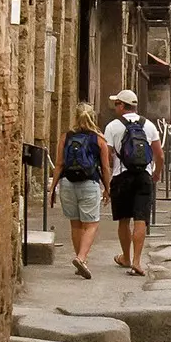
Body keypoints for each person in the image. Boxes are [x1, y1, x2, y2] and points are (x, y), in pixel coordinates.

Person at [49, 102, 111, 279]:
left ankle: (80, 261)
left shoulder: (65, 137)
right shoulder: (99, 139)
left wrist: (53, 188)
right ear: (93, 117)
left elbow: (59, 164)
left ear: (75, 117)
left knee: (75, 224)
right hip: (89, 184)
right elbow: (105, 168)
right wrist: (108, 189)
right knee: (91, 224)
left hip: (67, 183)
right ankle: (81, 258)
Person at [104, 90, 161, 276]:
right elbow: (159, 154)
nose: (115, 108)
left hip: (122, 176)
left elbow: (107, 155)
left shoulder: (113, 126)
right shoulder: (149, 125)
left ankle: (126, 257)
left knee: (123, 219)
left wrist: (107, 178)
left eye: (116, 104)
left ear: (122, 106)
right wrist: (156, 173)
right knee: (140, 219)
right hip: (144, 176)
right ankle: (137, 261)